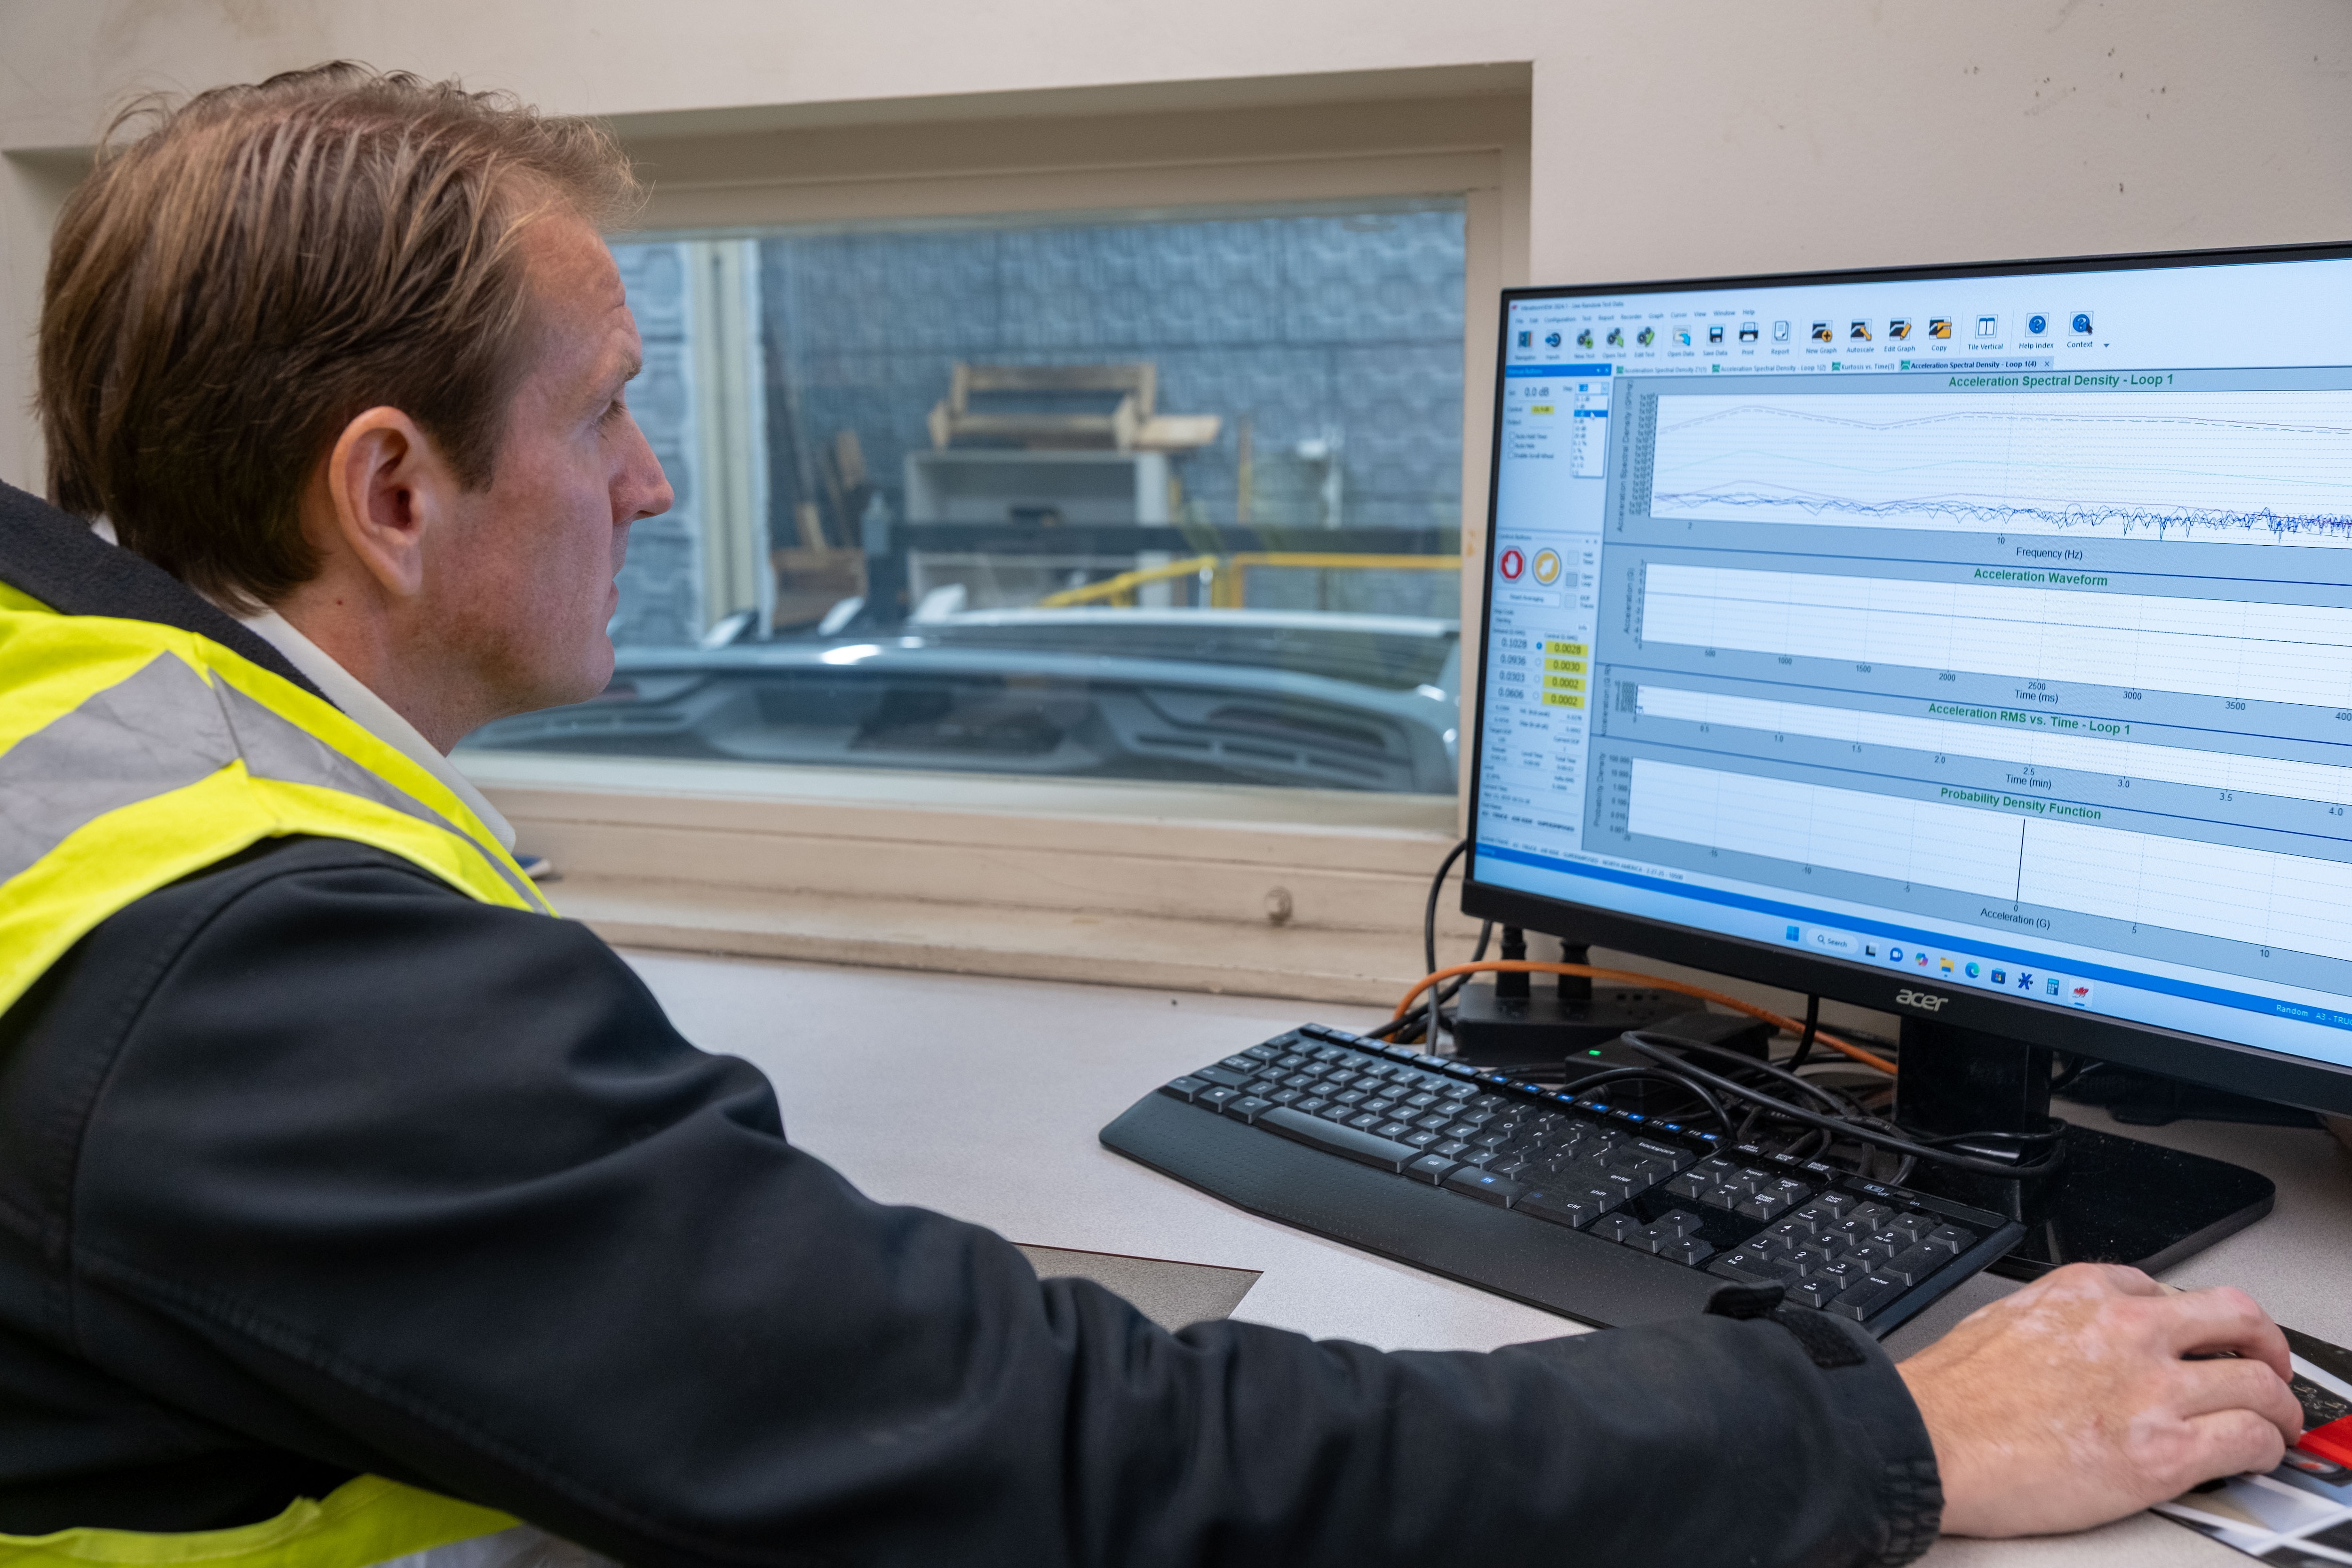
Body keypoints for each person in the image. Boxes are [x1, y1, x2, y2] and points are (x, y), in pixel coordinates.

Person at [0, 63, 2307, 1568]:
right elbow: (1058, 1467)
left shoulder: (102, 742)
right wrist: (1883, 1445)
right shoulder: (261, 968)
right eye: (604, 408)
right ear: (389, 492)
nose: (655, 480)